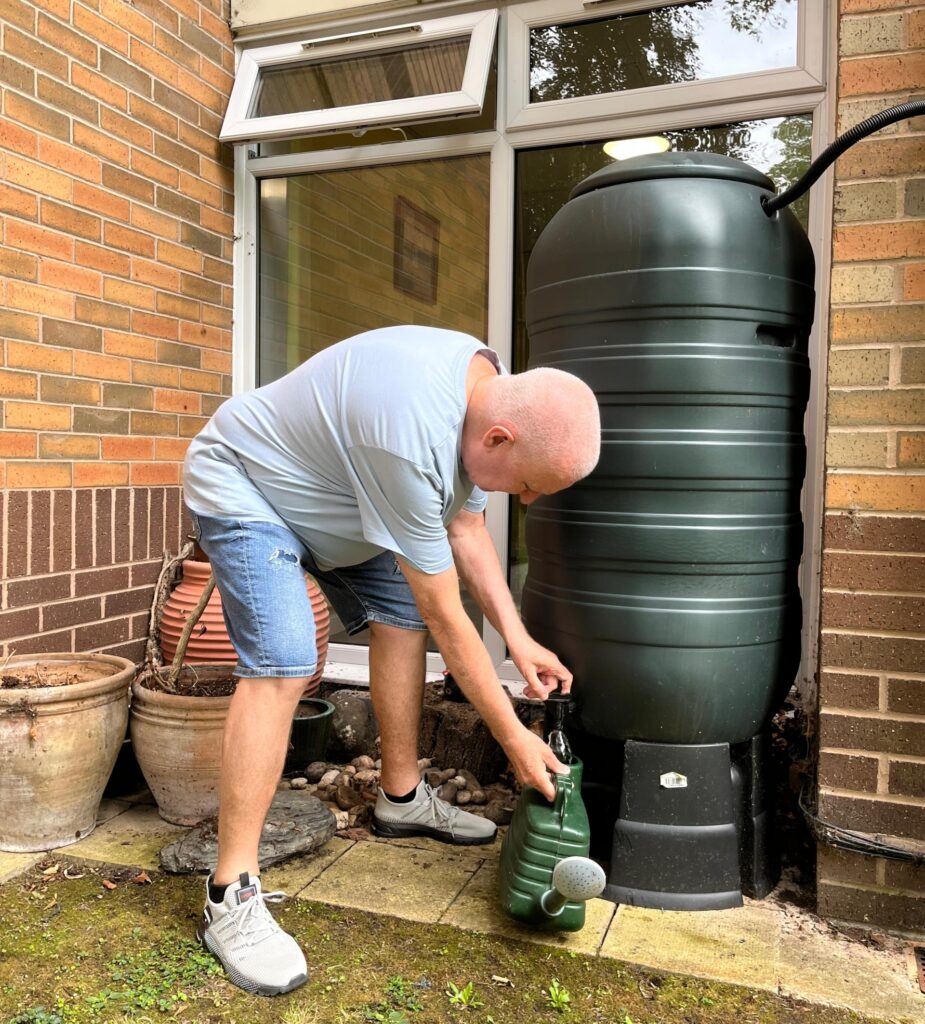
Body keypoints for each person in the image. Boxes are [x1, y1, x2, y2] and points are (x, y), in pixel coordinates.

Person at [182, 325, 601, 996]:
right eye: (526, 484)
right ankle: (229, 895)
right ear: (499, 440)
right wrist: (513, 739)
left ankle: (401, 798)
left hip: (335, 503)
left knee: (401, 613)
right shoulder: (407, 435)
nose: (524, 499)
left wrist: (517, 639)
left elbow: (464, 528)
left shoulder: (481, 385)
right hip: (248, 487)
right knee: (285, 662)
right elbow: (448, 615)